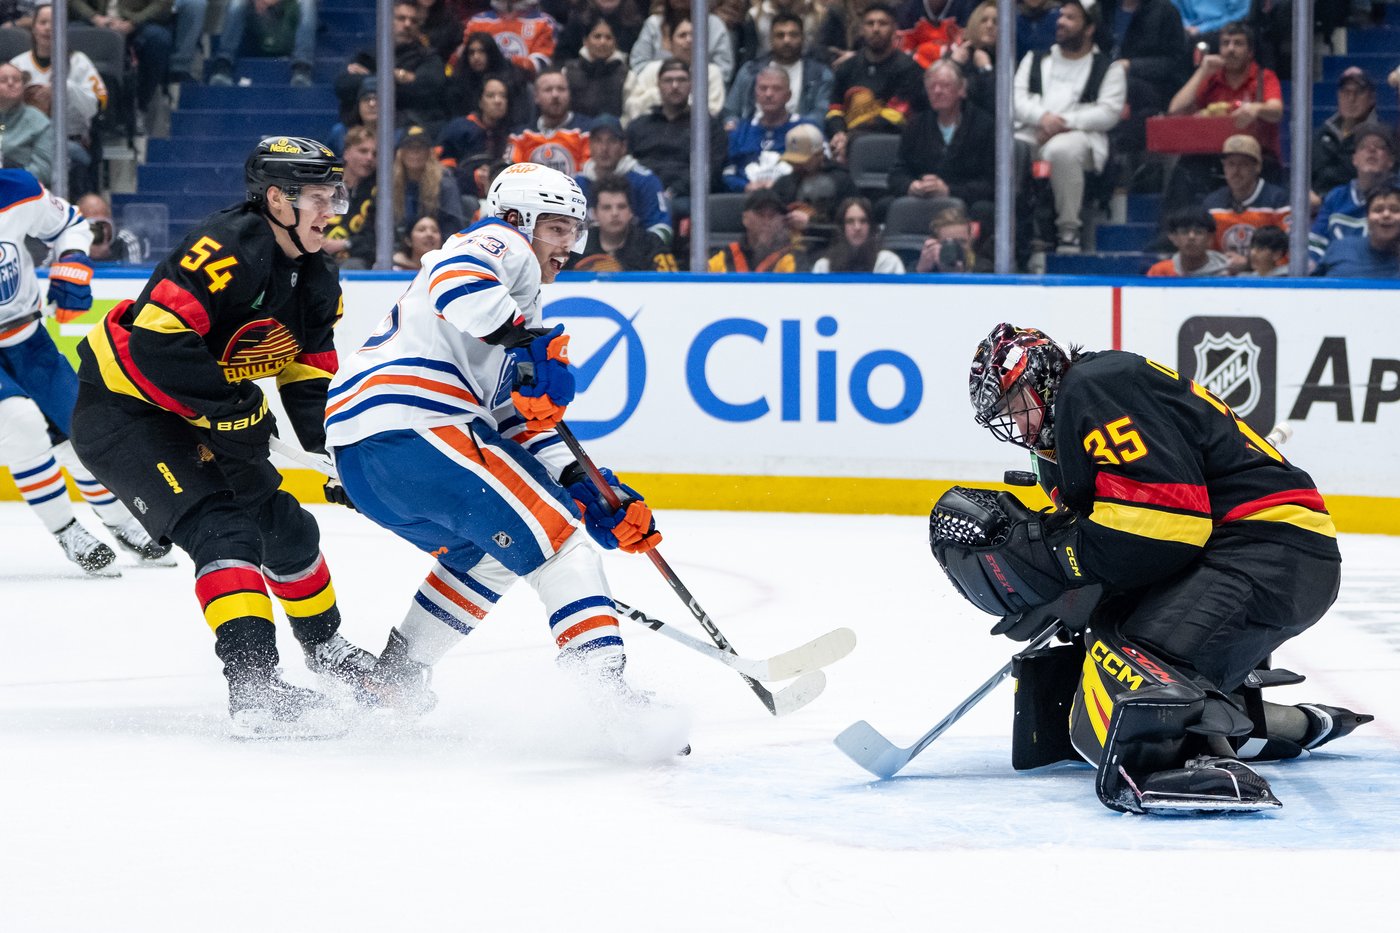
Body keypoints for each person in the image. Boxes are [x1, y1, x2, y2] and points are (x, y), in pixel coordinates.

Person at [942, 322, 1367, 813]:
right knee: (1109, 631)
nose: (1017, 424)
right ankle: (1288, 724)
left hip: (1269, 547)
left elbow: (1169, 525)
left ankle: (1191, 758)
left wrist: (1060, 559)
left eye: (1016, 404)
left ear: (1039, 378)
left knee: (1137, 656)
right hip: (1245, 549)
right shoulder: (1071, 428)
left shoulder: (1092, 387)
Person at [323, 162, 669, 723]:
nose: (569, 246)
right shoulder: (500, 243)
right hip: (421, 428)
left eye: (574, 233)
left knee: (487, 559)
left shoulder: (508, 307)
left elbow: (515, 422)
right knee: (561, 545)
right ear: (518, 218)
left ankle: (395, 680)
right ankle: (607, 693)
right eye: (557, 229)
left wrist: (588, 486)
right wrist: (526, 341)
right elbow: (454, 277)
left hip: (369, 456)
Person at [68, 137, 379, 739]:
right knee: (223, 529)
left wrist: (334, 455)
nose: (332, 209)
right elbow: (159, 342)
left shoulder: (318, 275)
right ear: (276, 200)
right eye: (318, 197)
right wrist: (232, 410)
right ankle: (254, 688)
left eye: (333, 195)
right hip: (125, 412)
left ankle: (328, 651)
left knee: (287, 527)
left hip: (207, 412)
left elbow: (306, 377)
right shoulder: (226, 249)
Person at [0, 167, 172, 576]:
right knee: (20, 424)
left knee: (85, 435)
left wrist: (72, 262)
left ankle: (121, 523)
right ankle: (66, 529)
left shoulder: (16, 190)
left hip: (29, 339)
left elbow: (71, 224)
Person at [1012, 0, 1125, 255]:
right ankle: (1014, 226)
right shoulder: (1035, 59)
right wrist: (1043, 118)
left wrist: (1061, 124)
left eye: (1071, 18)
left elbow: (1108, 113)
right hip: (1033, 132)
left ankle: (1068, 231)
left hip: (1081, 138)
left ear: (1089, 28)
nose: (1061, 22)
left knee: (1060, 151)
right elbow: (1016, 102)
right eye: (1061, 16)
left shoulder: (1109, 68)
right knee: (1010, 148)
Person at [11, 3, 107, 196]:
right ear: (33, 28)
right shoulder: (17, 65)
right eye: (43, 22)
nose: (48, 28)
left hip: (69, 142)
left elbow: (97, 106)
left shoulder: (79, 63)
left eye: (53, 23)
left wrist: (65, 88)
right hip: (24, 144)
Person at [889, 60, 994, 219]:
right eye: (932, 86)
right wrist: (911, 186)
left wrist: (949, 191)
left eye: (945, 85)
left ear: (961, 90)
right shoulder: (915, 125)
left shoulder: (984, 125)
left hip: (967, 203)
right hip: (922, 201)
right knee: (885, 206)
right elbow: (897, 173)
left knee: (984, 210)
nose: (937, 91)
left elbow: (991, 183)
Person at [626, 58, 726, 221]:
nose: (674, 86)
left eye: (681, 80)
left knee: (664, 207)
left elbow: (711, 170)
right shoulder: (639, 125)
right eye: (668, 80)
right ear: (658, 85)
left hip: (686, 197)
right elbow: (626, 165)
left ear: (692, 84)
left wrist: (673, 191)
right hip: (641, 193)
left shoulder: (707, 125)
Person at [823, 3, 923, 164]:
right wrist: (838, 133)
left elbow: (895, 116)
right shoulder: (847, 67)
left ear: (894, 29)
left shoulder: (909, 69)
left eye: (883, 23)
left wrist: (851, 137)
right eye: (870, 23)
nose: (876, 29)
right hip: (845, 144)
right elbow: (834, 109)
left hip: (890, 146)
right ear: (862, 29)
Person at [335, 1, 447, 134]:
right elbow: (343, 85)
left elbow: (428, 87)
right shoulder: (368, 55)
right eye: (401, 18)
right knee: (339, 132)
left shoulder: (429, 58)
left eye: (414, 21)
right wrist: (398, 76)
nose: (407, 24)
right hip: (364, 131)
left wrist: (370, 79)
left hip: (409, 131)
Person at [725, 11, 833, 130]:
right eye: (780, 35)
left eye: (793, 35)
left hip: (799, 137)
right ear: (771, 39)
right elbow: (730, 111)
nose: (787, 40)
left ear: (803, 38)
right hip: (752, 136)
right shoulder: (749, 71)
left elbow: (821, 114)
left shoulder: (820, 74)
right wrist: (733, 126)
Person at [573, 113, 671, 243]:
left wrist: (639, 252)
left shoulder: (645, 181)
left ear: (623, 146)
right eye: (598, 140)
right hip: (589, 260)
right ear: (589, 146)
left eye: (611, 141)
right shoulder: (576, 185)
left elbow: (662, 229)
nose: (604, 148)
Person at [1308, 123, 1398, 265]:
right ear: (1354, 159)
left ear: (1391, 161)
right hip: (1340, 278)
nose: (1371, 150)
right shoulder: (1336, 198)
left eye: (1379, 146)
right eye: (1363, 146)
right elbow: (1314, 249)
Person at [1202, 133, 1287, 272]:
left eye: (1243, 164)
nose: (1236, 171)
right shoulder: (1212, 204)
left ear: (1257, 167)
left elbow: (1288, 252)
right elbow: (1206, 253)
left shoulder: (1278, 200)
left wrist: (1249, 264)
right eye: (1231, 164)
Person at [623, 16, 724, 123]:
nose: (689, 40)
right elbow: (632, 107)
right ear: (670, 43)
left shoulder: (711, 72)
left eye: (694, 35)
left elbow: (713, 110)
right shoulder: (652, 69)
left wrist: (664, 98)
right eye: (682, 35)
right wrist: (656, 95)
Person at [721, 66, 808, 192]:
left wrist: (782, 187)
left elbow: (815, 169)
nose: (768, 94)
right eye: (763, 88)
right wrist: (744, 186)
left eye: (776, 89)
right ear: (756, 94)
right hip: (744, 201)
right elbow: (727, 172)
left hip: (790, 199)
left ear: (788, 95)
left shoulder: (805, 128)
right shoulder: (739, 131)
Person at [566, 172, 677, 270]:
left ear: (631, 211)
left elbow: (671, 283)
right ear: (594, 213)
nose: (615, 213)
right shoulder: (576, 245)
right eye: (607, 207)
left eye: (621, 206)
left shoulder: (652, 245)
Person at [206, 0, 319, 88]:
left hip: (288, 10)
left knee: (307, 2)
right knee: (237, 2)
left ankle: (302, 66)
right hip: (257, 10)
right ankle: (223, 62)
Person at [507, 67, 593, 174]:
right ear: (536, 97)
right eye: (548, 90)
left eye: (561, 89)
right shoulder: (520, 137)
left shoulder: (587, 131)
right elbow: (511, 174)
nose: (555, 95)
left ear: (569, 94)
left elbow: (588, 175)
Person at [1312, 67, 1380, 197]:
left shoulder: (1379, 138)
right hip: (1316, 210)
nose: (1351, 98)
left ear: (1372, 98)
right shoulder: (1322, 134)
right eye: (1345, 92)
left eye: (1359, 92)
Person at [630, 0, 734, 84]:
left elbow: (724, 71)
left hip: (704, 95)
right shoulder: (654, 24)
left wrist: (688, 81)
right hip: (656, 94)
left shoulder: (715, 25)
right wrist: (669, 78)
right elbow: (639, 65)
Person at [1314, 182, 1400, 279]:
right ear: (1367, 217)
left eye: (1395, 209)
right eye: (1378, 210)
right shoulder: (1340, 248)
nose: (1386, 215)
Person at [322, 124, 378, 268]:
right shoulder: (323, 183)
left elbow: (375, 238)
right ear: (346, 153)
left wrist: (345, 244)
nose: (369, 158)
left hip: (355, 260)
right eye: (363, 151)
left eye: (374, 154)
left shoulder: (379, 190)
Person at [708, 186, 801, 272]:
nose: (766, 221)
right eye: (760, 214)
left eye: (772, 216)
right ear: (745, 218)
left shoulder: (792, 256)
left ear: (783, 220)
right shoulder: (727, 256)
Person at [563, 9, 635, 118]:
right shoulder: (567, 72)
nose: (603, 42)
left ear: (615, 43)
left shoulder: (627, 76)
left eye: (608, 37)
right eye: (597, 36)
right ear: (585, 41)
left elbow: (629, 114)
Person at [811, 195, 904, 273]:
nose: (857, 227)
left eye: (863, 221)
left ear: (871, 226)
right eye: (850, 221)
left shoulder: (887, 262)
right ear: (842, 227)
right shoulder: (824, 267)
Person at [467, 0, 558, 77]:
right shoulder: (477, 22)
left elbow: (542, 64)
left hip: (526, 89)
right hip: (483, 86)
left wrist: (504, 61)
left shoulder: (544, 22)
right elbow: (465, 61)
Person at [0, 62, 53, 185]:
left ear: (24, 86)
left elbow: (43, 171)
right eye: (3, 80)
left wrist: (8, 181)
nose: (10, 83)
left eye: (16, 80)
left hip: (22, 191)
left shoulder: (39, 122)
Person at [1145, 204, 1230, 276]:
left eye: (1198, 232)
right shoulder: (1160, 273)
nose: (1191, 237)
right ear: (1173, 237)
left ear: (1210, 238)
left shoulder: (1229, 273)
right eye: (1185, 232)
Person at [912, 202, 979, 272]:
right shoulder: (919, 267)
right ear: (934, 242)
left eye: (961, 242)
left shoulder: (984, 270)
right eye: (947, 242)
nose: (955, 247)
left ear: (970, 240)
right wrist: (921, 271)